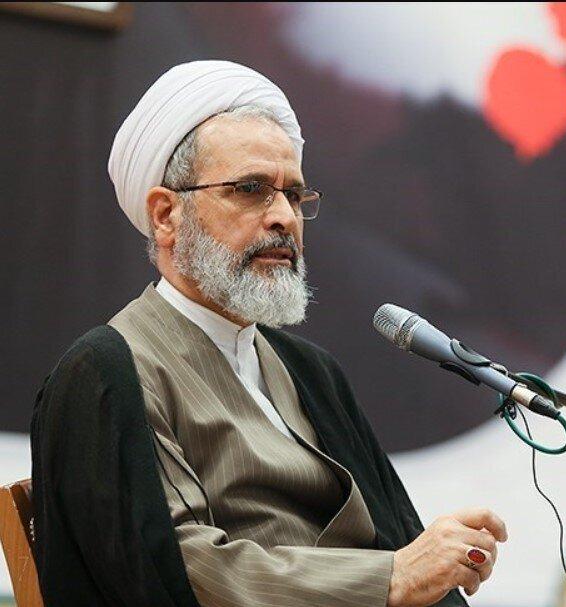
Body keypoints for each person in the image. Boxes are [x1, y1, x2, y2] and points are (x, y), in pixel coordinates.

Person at [30, 60, 506, 607]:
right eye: (251, 189)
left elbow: (394, 536)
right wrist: (389, 579)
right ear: (165, 215)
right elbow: (181, 570)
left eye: (294, 195)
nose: (284, 217)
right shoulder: (108, 372)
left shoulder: (309, 370)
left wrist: (433, 567)